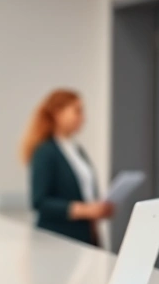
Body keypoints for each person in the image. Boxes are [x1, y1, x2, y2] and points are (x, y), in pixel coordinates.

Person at [21, 88, 113, 246]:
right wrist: (85, 210)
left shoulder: (77, 150)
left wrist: (97, 209)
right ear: (58, 113)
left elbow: (85, 192)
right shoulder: (46, 151)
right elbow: (40, 202)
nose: (83, 118)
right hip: (57, 240)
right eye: (77, 111)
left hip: (85, 236)